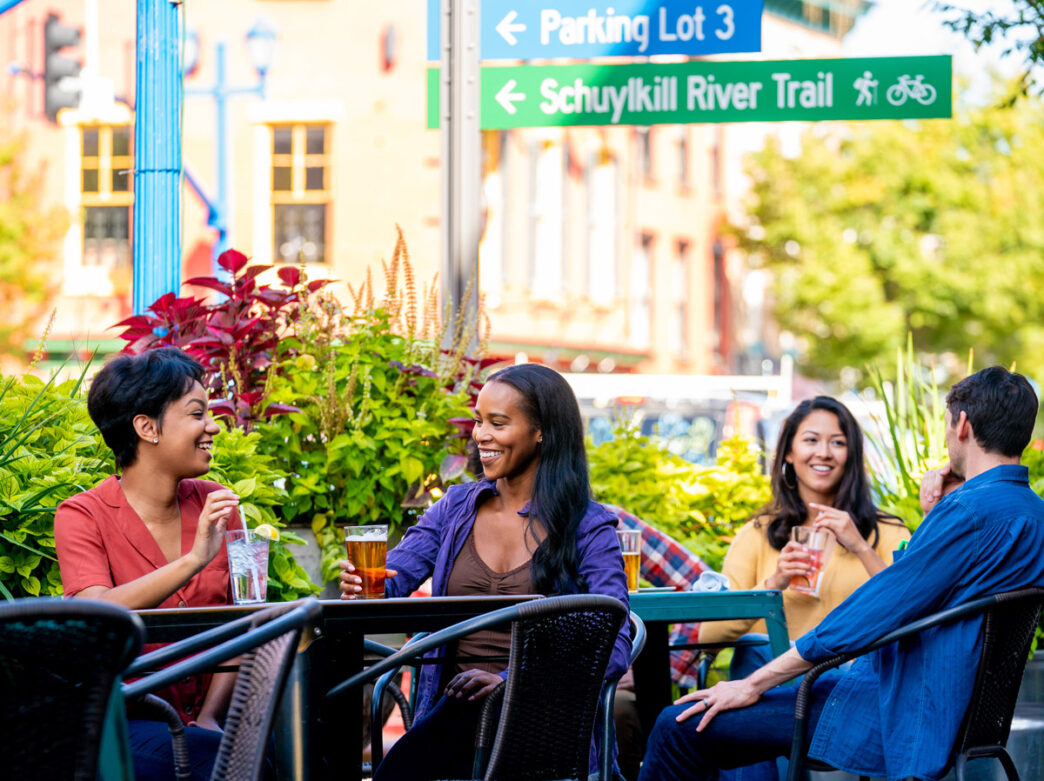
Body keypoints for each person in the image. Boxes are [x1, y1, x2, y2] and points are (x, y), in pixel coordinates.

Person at [637, 366, 1044, 781]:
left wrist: (752, 684)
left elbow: (876, 609)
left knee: (676, 727)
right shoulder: (1031, 512)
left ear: (961, 425)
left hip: (894, 711)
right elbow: (939, 587)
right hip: (957, 711)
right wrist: (933, 515)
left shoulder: (969, 512)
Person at [338, 363, 631, 781]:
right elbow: (394, 578)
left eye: (498, 423)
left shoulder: (586, 525)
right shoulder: (456, 508)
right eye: (478, 421)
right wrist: (369, 587)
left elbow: (613, 639)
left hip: (539, 719)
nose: (481, 436)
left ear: (541, 431)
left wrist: (514, 683)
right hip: (456, 710)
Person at [54, 348, 243, 781]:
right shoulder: (82, 515)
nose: (213, 426)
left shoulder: (214, 503)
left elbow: (245, 625)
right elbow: (98, 610)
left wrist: (211, 718)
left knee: (306, 752)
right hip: (127, 723)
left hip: (213, 723)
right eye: (197, 414)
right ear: (146, 427)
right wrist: (195, 560)